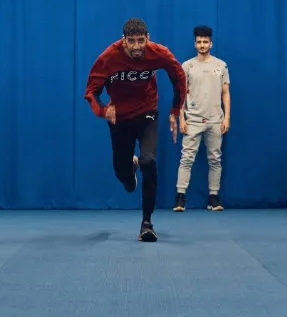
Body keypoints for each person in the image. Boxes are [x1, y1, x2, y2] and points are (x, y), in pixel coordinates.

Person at [84, 18, 187, 242]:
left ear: (147, 38)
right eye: (132, 42)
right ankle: (129, 169)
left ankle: (147, 223)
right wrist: (103, 110)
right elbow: (91, 91)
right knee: (122, 174)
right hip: (119, 117)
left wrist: (175, 111)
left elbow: (179, 77)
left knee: (149, 161)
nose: (137, 46)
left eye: (141, 41)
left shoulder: (158, 53)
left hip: (147, 112)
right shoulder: (109, 57)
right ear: (124, 41)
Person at [174, 26, 231, 212]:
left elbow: (225, 93)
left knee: (215, 159)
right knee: (186, 158)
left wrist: (227, 118)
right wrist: (181, 118)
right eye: (199, 42)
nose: (202, 45)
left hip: (215, 120)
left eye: (205, 42)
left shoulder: (220, 65)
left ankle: (214, 197)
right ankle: (180, 197)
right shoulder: (187, 66)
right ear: (194, 43)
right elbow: (181, 94)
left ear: (211, 43)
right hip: (193, 120)